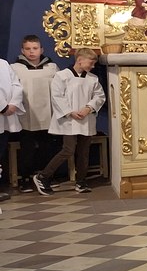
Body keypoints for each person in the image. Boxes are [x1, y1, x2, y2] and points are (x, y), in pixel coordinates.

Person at [32, 48, 106, 196]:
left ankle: (81, 181)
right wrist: (70, 112)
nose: (93, 66)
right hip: (69, 120)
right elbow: (57, 96)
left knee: (84, 151)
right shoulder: (62, 76)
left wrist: (89, 108)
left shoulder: (93, 79)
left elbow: (99, 96)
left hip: (86, 118)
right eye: (91, 63)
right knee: (68, 150)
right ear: (79, 60)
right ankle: (43, 176)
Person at [11, 35, 58, 194]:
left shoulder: (51, 67)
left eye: (35, 48)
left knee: (47, 147)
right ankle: (25, 179)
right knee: (27, 149)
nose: (32, 52)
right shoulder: (15, 68)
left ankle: (46, 176)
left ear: (41, 50)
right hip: (26, 114)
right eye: (28, 49)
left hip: (47, 113)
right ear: (22, 50)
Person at [0, 59, 25, 203]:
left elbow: (16, 85)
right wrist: (3, 107)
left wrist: (14, 103)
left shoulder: (3, 63)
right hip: (3, 110)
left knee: (1, 153)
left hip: (7, 115)